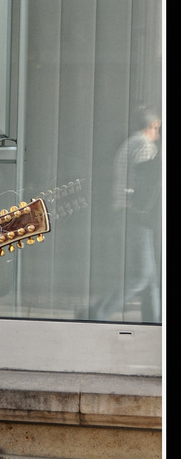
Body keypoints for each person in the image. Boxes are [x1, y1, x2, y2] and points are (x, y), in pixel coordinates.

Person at [92, 105, 161, 323]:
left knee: (150, 277)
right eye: (158, 128)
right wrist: (145, 208)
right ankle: (96, 312)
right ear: (152, 125)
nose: (159, 133)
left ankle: (154, 320)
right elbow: (145, 183)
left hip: (126, 212)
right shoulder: (144, 146)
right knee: (141, 275)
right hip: (136, 215)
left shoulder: (130, 143)